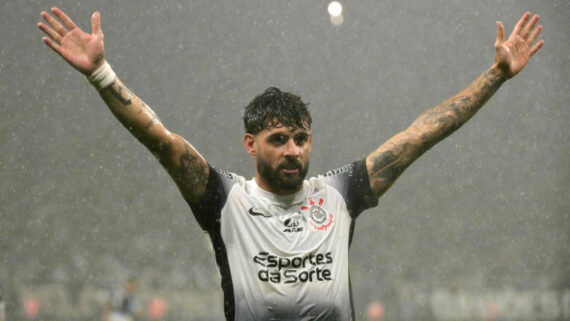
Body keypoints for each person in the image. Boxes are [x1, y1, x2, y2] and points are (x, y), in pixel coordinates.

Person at [37, 7, 543, 321]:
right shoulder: (226, 199)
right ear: (250, 144)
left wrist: (495, 76)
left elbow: (423, 132)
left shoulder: (339, 192)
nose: (293, 151)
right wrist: (101, 73)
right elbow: (162, 141)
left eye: (301, 139)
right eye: (278, 139)